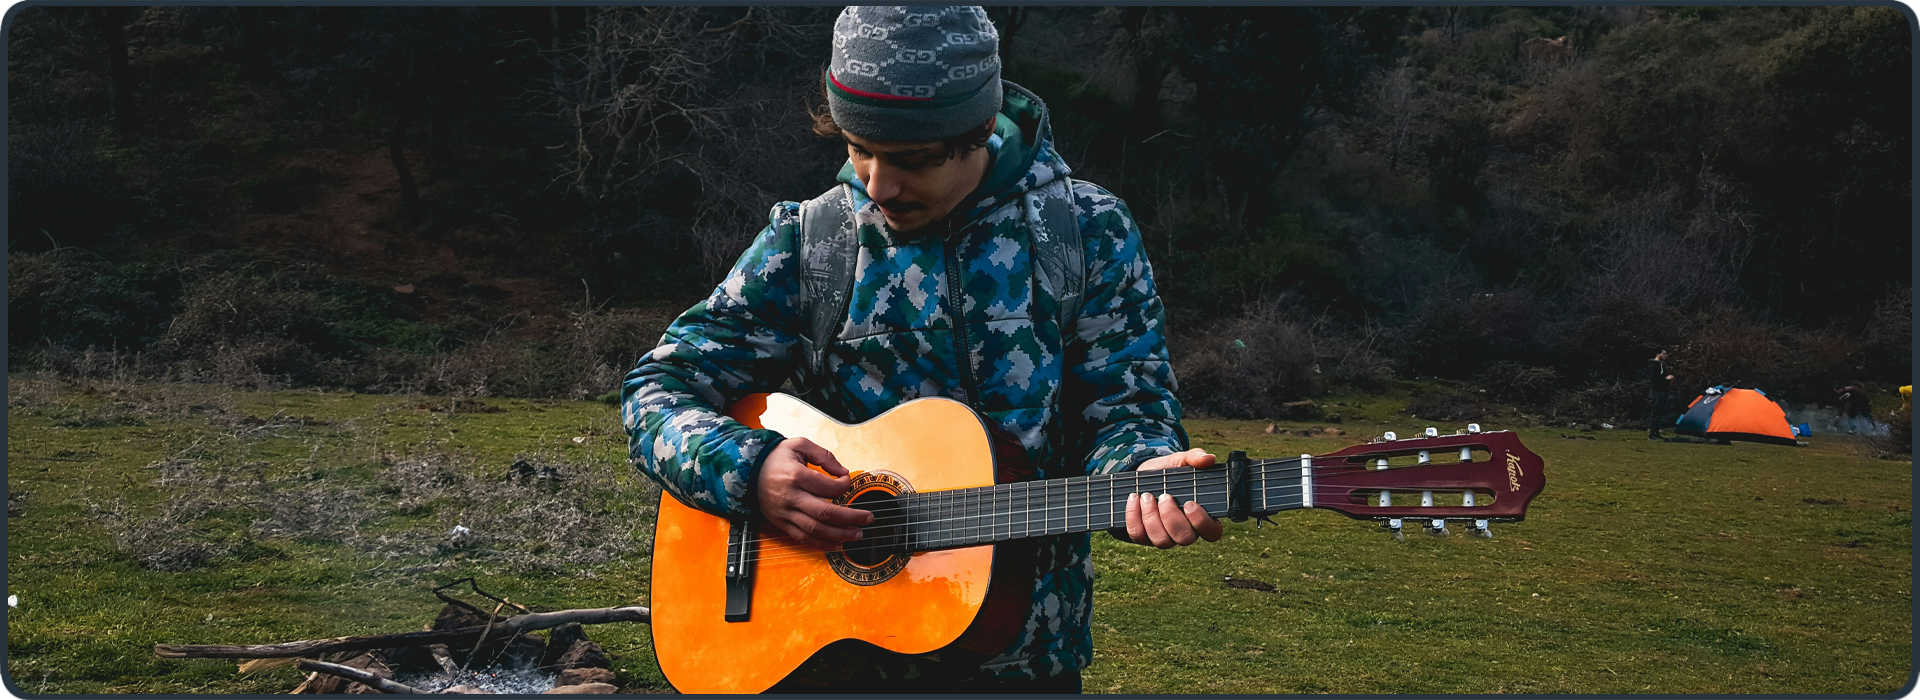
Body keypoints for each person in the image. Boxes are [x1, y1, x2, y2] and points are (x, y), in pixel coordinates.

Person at [621, 6, 1215, 693]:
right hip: (818, 657)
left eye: (910, 161)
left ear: (981, 129)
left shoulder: (1084, 233)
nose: (877, 185)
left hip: (1021, 659)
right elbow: (658, 390)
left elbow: (1127, 406)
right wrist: (751, 472)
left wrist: (1143, 465)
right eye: (857, 148)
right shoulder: (810, 242)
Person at [1643, 349, 1674, 440]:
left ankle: (1656, 431)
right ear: (1658, 354)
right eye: (1663, 353)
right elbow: (1653, 379)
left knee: (1659, 412)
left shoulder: (1661, 365)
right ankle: (1653, 433)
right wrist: (1665, 379)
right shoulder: (1653, 365)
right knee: (1655, 412)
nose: (1665, 355)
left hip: (1662, 391)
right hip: (1657, 392)